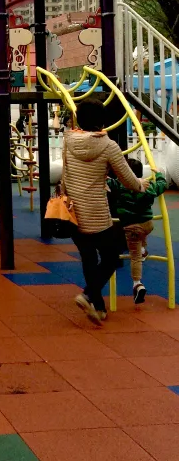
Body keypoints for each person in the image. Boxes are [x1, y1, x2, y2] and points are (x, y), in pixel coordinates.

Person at [64, 99, 149, 324]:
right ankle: (88, 294)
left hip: (72, 212)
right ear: (102, 121)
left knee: (89, 257)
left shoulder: (68, 141)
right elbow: (127, 177)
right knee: (111, 256)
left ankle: (98, 308)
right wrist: (141, 184)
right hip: (96, 213)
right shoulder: (108, 145)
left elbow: (65, 174)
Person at [108, 157, 167, 305]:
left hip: (132, 226)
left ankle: (137, 284)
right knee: (141, 237)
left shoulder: (119, 185)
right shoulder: (148, 186)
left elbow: (105, 180)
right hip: (147, 225)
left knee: (134, 257)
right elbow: (162, 184)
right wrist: (159, 174)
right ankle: (143, 250)